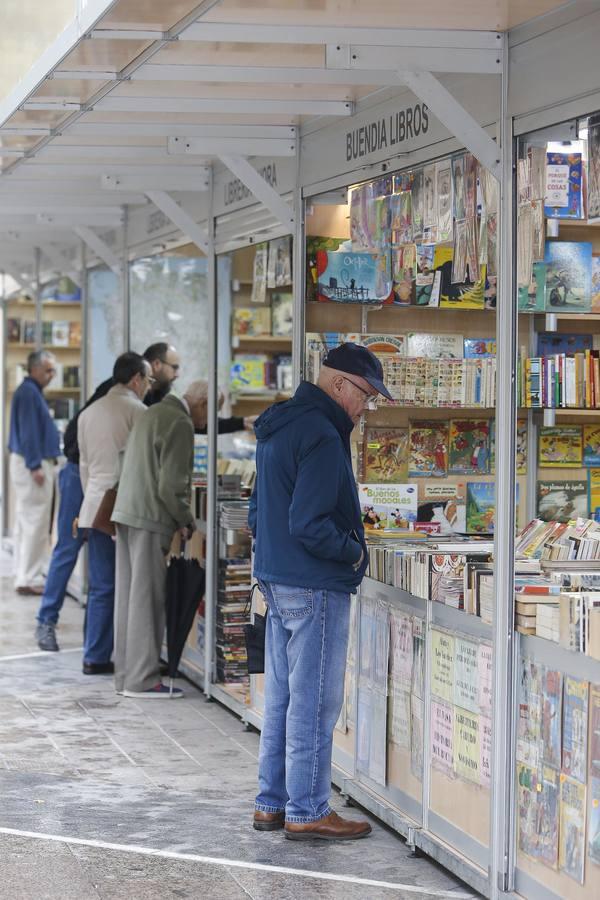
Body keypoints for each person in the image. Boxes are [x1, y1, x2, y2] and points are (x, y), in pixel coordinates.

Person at [249, 342, 392, 841]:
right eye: (364, 395)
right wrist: (353, 552)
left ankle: (272, 802)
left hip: (277, 576)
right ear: (338, 385)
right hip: (314, 585)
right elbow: (309, 523)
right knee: (314, 703)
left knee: (284, 698)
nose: (365, 406)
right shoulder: (323, 435)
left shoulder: (280, 424)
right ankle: (307, 809)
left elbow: (257, 511)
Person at [111, 380, 209, 699]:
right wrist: (185, 519)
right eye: (211, 411)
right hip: (151, 517)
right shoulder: (179, 422)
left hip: (127, 511)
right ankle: (142, 680)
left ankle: (126, 675)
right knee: (147, 600)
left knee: (128, 598)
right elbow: (171, 486)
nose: (207, 422)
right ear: (201, 403)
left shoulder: (152, 412)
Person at [77, 353, 152, 675]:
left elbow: (83, 466)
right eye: (148, 380)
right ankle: (126, 658)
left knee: (100, 585)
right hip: (123, 509)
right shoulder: (138, 412)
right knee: (129, 588)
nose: (149, 387)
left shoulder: (88, 413)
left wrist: (91, 499)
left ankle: (94, 652)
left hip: (92, 506)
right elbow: (146, 463)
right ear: (136, 379)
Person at [35, 376, 114, 652]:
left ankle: (95, 645)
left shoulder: (129, 402)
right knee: (67, 550)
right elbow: (73, 449)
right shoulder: (100, 407)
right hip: (78, 479)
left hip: (97, 484)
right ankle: (45, 621)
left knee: (100, 564)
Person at [8, 350, 60, 595]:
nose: (52, 375)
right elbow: (29, 432)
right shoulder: (29, 393)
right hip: (33, 464)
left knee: (26, 520)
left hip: (28, 462)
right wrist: (35, 465)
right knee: (35, 522)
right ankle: (28, 577)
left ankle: (23, 573)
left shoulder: (29, 391)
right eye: (48, 370)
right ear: (35, 369)